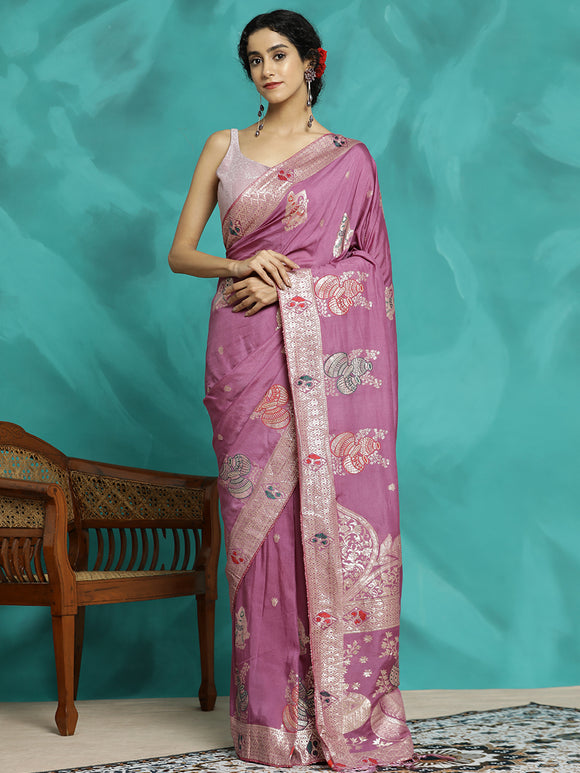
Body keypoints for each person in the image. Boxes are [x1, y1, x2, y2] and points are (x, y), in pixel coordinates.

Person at [169, 10, 418, 771]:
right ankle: (272, 724)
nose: (266, 70)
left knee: (320, 515)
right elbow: (181, 253)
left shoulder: (350, 160)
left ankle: (338, 710)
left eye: (279, 55)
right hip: (242, 350)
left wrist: (294, 287)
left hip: (308, 345)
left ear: (313, 62)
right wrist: (240, 266)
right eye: (253, 59)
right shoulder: (224, 146)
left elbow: (370, 272)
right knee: (260, 531)